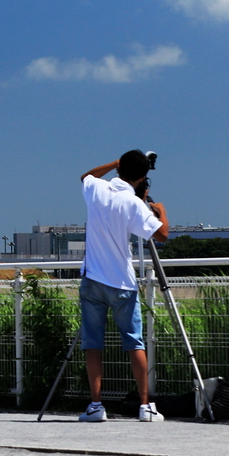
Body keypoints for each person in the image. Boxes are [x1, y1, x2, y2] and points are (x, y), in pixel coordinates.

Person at [77, 149, 170, 423]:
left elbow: (86, 176)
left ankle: (95, 406)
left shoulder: (96, 189)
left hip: (92, 279)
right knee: (134, 343)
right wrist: (160, 210)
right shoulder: (133, 203)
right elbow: (162, 235)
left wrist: (116, 163)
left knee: (92, 344)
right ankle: (145, 406)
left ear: (119, 169)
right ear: (142, 177)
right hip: (122, 283)